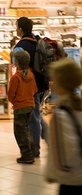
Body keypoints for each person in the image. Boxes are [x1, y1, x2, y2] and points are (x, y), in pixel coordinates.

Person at [13, 17, 49, 158]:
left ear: (20, 29)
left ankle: (35, 149)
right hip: (43, 84)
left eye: (16, 27)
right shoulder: (38, 41)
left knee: (33, 117)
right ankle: (50, 139)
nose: (16, 29)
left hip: (30, 87)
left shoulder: (21, 45)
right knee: (37, 114)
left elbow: (17, 66)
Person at [46, 58, 82, 195]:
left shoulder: (59, 115)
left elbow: (60, 150)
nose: (52, 83)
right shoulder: (77, 106)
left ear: (60, 82)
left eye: (53, 79)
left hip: (71, 180)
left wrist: (52, 173)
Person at [8, 50, 38, 164]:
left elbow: (11, 94)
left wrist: (15, 101)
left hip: (20, 107)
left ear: (17, 62)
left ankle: (27, 155)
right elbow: (35, 90)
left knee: (20, 132)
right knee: (26, 129)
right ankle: (30, 151)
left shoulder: (16, 77)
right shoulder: (31, 74)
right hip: (30, 105)